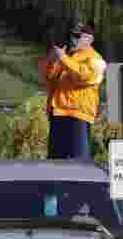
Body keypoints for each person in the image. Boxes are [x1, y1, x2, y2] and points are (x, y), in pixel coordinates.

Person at [44, 24, 107, 160]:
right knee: (55, 162)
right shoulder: (67, 57)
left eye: (78, 36)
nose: (73, 39)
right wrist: (52, 60)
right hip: (59, 113)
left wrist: (63, 58)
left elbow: (83, 76)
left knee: (79, 163)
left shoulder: (96, 59)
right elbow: (50, 78)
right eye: (72, 35)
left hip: (79, 116)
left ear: (90, 39)